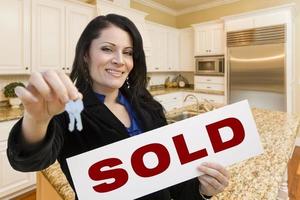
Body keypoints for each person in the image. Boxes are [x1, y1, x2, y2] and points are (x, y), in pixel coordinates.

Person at [7, 14, 229, 200]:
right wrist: (37, 119)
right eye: (107, 49)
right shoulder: (68, 111)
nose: (119, 60)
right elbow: (28, 161)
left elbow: (173, 180)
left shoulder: (148, 106)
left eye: (128, 52)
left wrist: (202, 191)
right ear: (85, 55)